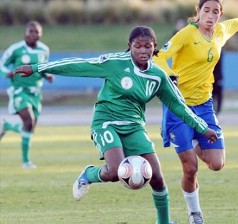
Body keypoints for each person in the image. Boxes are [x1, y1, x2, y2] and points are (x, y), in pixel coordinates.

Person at [13, 26, 218, 224]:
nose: (143, 51)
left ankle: (163, 222)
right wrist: (37, 68)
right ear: (129, 46)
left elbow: (179, 105)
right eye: (138, 46)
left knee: (157, 177)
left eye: (148, 46)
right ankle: (89, 174)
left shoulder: (158, 76)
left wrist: (202, 127)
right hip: (106, 122)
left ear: (154, 47)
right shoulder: (115, 63)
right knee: (115, 172)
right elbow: (78, 65)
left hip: (134, 126)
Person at [153, 1, 238, 223]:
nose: (211, 15)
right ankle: (195, 214)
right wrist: (170, 75)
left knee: (216, 164)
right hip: (179, 107)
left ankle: (193, 142)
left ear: (220, 14)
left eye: (215, 12)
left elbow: (236, 23)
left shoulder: (221, 31)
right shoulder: (186, 34)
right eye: (206, 10)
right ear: (199, 12)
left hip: (204, 106)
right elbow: (159, 57)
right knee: (191, 168)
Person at [0, 21, 53, 169]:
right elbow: (2, 64)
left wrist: (46, 76)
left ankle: (8, 126)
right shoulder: (16, 49)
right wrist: (7, 73)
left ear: (40, 35)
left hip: (36, 93)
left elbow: (43, 68)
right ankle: (26, 162)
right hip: (19, 91)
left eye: (37, 32)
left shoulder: (44, 50)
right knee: (28, 122)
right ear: (26, 33)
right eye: (31, 31)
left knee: (30, 127)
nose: (34, 34)